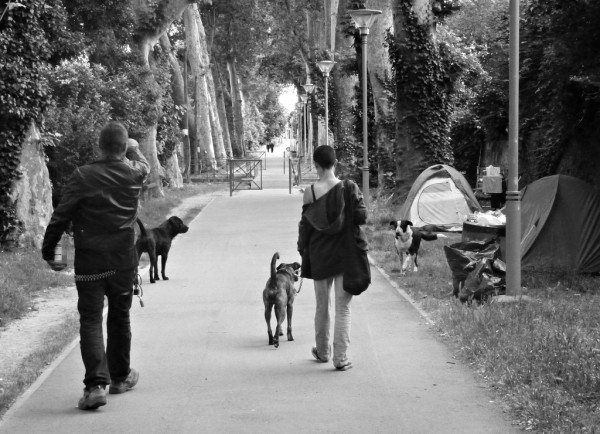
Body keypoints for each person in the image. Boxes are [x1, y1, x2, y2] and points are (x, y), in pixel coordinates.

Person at [42, 121, 150, 410]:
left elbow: (61, 215)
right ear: (123, 148)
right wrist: (134, 147)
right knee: (120, 316)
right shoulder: (134, 172)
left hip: (91, 262)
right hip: (123, 260)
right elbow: (144, 163)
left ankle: (94, 388)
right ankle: (120, 377)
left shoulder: (83, 176)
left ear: (99, 147)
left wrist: (49, 250)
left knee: (91, 320)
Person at [297, 145, 367, 371]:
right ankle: (341, 358)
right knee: (343, 308)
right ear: (335, 163)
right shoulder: (349, 188)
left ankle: (323, 352)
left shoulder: (310, 192)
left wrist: (302, 249)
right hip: (345, 253)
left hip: (319, 255)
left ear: (316, 165)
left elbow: (305, 227)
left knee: (322, 306)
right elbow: (361, 217)